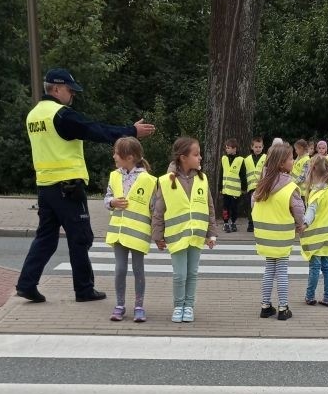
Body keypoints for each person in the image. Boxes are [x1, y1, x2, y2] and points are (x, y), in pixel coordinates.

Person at [16, 67, 155, 303]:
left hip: (45, 186)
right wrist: (130, 131)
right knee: (80, 237)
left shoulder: (34, 115)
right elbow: (94, 130)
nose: (72, 96)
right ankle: (84, 289)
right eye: (70, 90)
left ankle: (27, 284)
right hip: (68, 186)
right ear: (57, 88)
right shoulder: (61, 115)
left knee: (46, 237)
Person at [152, 137, 217, 323]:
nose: (200, 158)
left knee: (192, 273)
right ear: (183, 158)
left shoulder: (203, 179)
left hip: (196, 235)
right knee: (179, 275)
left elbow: (209, 207)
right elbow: (158, 210)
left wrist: (211, 234)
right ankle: (178, 306)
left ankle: (189, 306)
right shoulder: (165, 181)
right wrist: (158, 236)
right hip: (176, 236)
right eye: (196, 154)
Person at [104, 137, 157, 323]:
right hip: (118, 232)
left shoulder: (149, 180)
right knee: (119, 269)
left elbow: (154, 208)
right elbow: (107, 198)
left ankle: (139, 306)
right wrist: (112, 203)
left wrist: (158, 233)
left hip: (138, 234)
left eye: (117, 153)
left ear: (129, 157)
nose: (114, 156)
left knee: (138, 269)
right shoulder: (114, 175)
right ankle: (119, 305)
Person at [251, 141, 304, 322]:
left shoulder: (262, 183)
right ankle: (283, 307)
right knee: (281, 270)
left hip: (264, 236)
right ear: (282, 163)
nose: (293, 161)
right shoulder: (289, 186)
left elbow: (253, 204)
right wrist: (300, 225)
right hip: (282, 236)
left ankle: (265, 306)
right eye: (291, 158)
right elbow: (298, 209)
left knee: (268, 269)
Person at [300, 154, 328, 308]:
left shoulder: (317, 193)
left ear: (314, 170)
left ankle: (310, 296)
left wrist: (302, 225)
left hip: (316, 236)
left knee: (315, 268)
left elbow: (310, 213)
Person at [220, 138, 246, 232]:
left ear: (235, 149)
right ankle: (226, 223)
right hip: (226, 189)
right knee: (225, 208)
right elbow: (221, 173)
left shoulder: (240, 160)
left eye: (229, 148)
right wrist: (220, 187)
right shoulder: (224, 158)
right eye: (226, 148)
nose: (227, 149)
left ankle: (233, 223)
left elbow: (243, 175)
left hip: (235, 191)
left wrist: (244, 188)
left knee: (234, 208)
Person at [243, 136, 266, 233]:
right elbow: (244, 174)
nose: (258, 149)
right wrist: (244, 187)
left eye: (260, 147)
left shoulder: (266, 158)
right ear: (252, 147)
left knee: (261, 205)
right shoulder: (247, 159)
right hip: (250, 187)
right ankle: (251, 223)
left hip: (261, 187)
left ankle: (260, 223)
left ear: (263, 147)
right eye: (256, 147)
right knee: (250, 206)